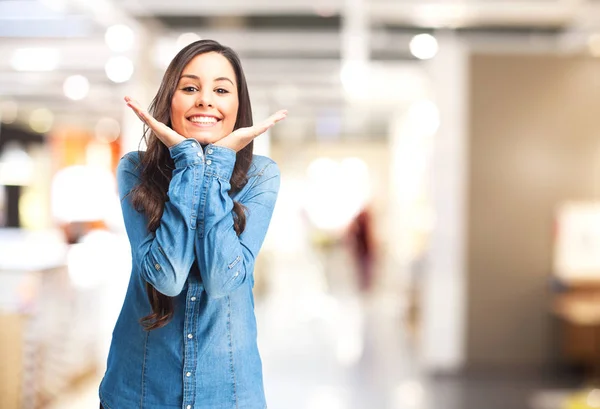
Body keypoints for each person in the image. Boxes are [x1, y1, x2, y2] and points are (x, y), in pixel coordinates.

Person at [98, 39, 287, 409]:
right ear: (170, 99)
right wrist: (189, 162)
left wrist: (214, 165)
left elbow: (222, 279)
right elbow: (166, 276)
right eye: (189, 88)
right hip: (138, 393)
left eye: (220, 89)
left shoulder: (261, 176)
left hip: (228, 396)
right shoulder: (136, 169)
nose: (205, 99)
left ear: (237, 106)